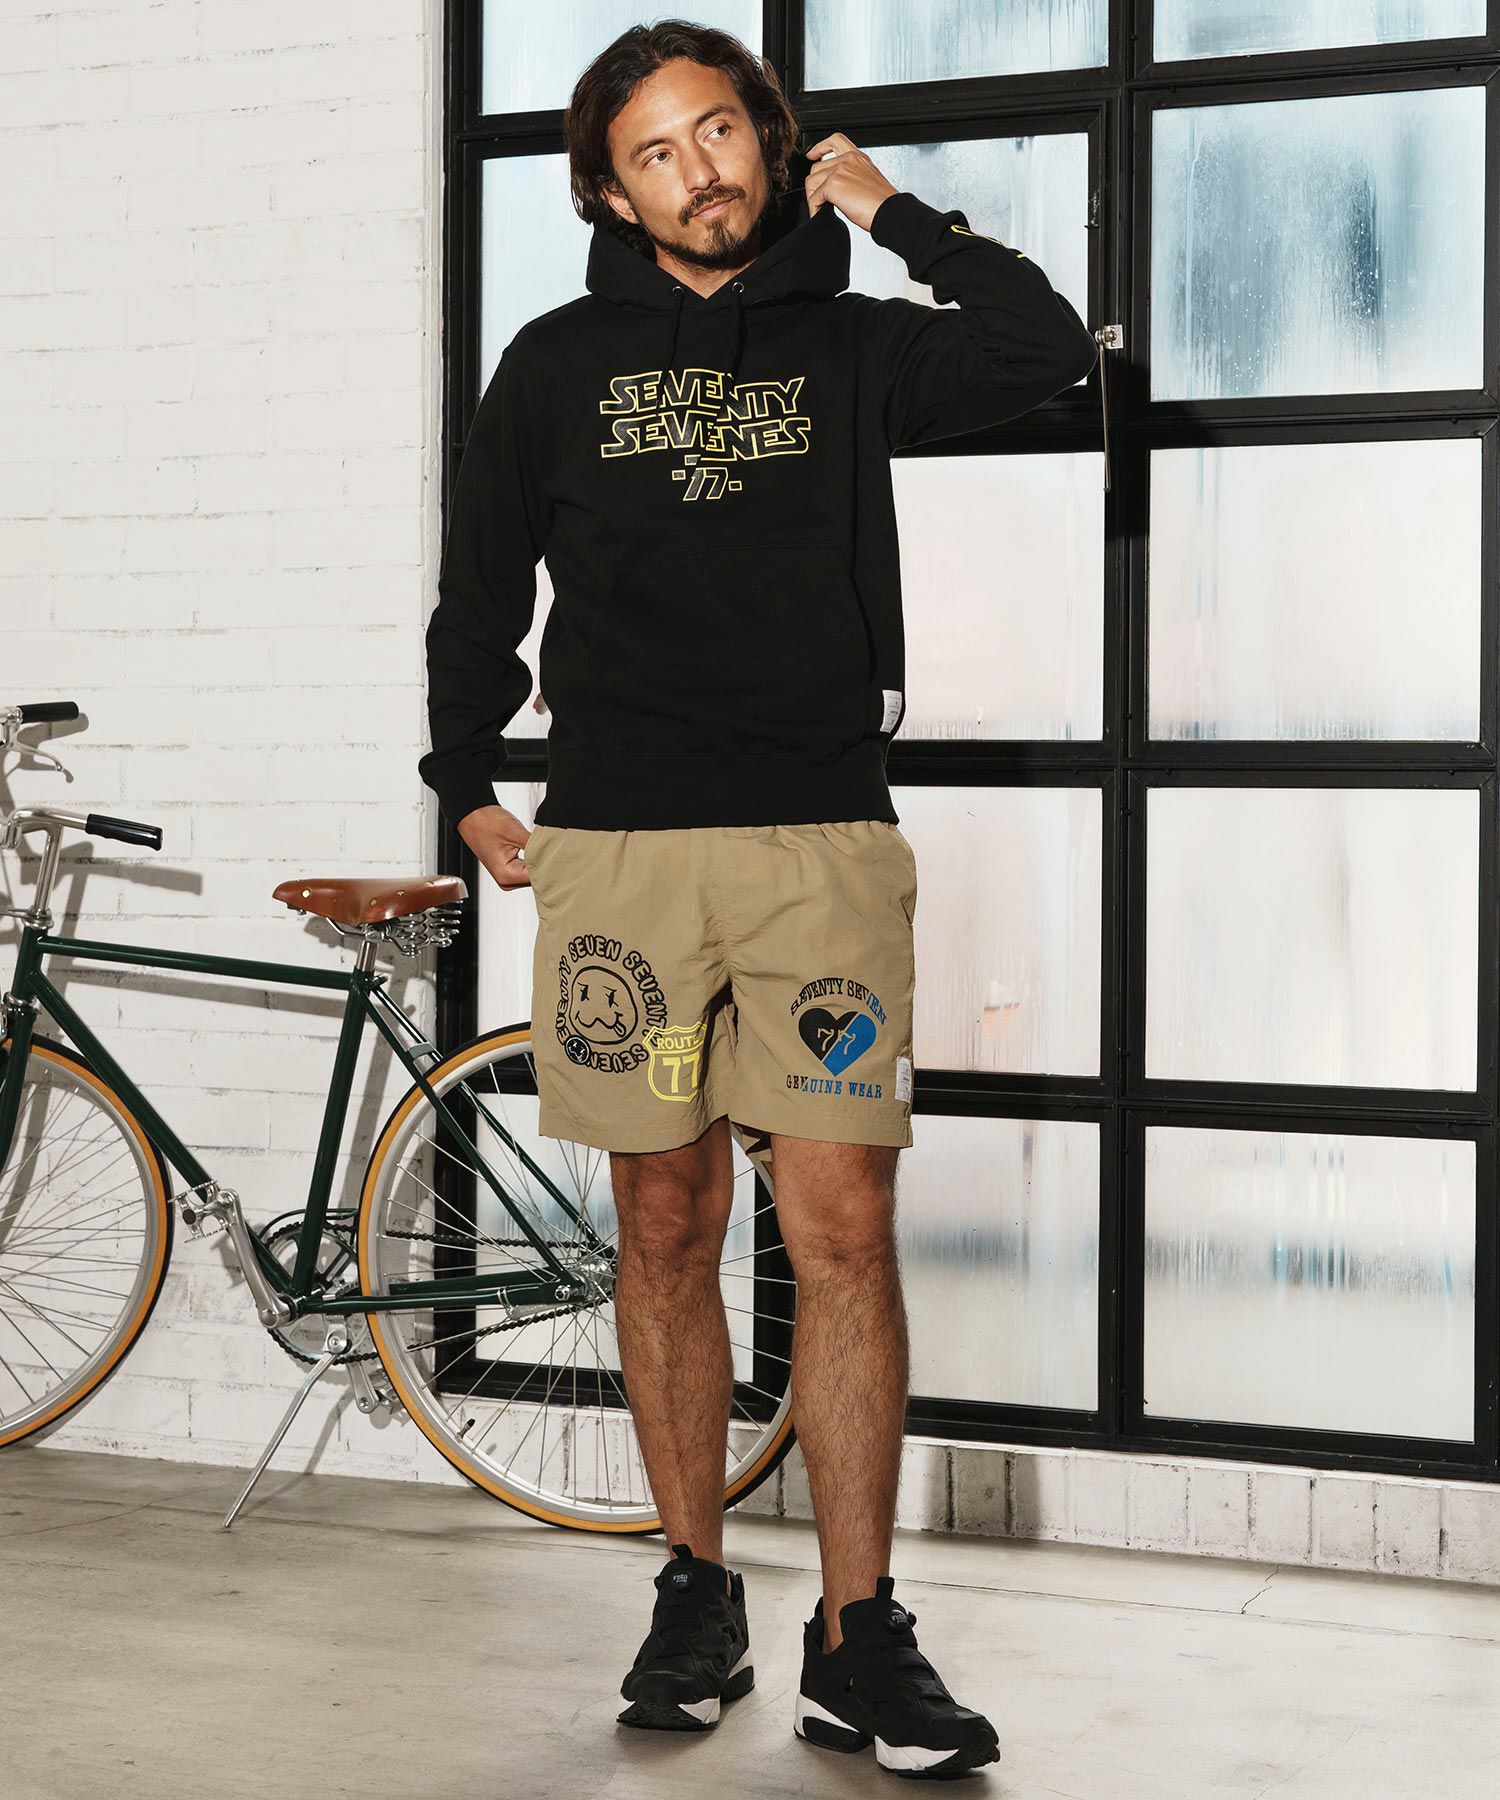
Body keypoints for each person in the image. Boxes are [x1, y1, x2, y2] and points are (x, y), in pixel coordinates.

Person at [419, 18, 1096, 1780]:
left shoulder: (859, 343)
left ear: (770, 143)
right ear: (608, 190)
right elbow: (480, 584)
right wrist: (466, 777)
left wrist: (896, 213)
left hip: (818, 845)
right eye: (656, 150)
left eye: (720, 131)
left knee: (844, 1227)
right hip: (623, 853)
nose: (698, 171)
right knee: (662, 1222)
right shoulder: (554, 362)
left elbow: (1046, 352)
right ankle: (696, 1591)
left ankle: (859, 1635)